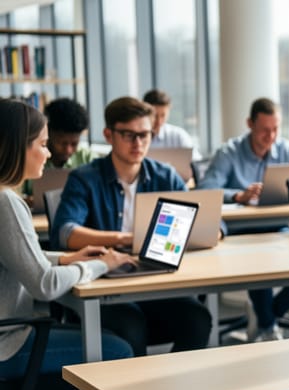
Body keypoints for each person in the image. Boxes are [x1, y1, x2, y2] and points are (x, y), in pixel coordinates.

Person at [0, 98, 133, 390]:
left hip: (7, 335)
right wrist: (100, 265)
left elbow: (23, 260)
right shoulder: (6, 202)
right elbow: (42, 284)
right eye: (41, 143)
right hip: (7, 346)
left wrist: (72, 258)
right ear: (16, 148)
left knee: (104, 344)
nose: (48, 152)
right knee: (113, 352)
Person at [51, 96, 212, 357]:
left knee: (198, 319)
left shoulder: (165, 175)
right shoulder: (84, 178)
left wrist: (212, 229)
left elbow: (208, 223)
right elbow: (65, 233)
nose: (138, 143)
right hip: (106, 284)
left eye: (145, 135)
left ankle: (172, 389)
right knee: (131, 325)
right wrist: (125, 238)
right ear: (109, 135)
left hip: (154, 279)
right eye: (129, 135)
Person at [199, 97, 289, 340]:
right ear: (250, 124)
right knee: (261, 258)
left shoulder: (286, 150)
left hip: (277, 226)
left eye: (275, 129)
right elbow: (206, 189)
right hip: (239, 231)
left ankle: (266, 320)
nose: (270, 136)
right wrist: (238, 195)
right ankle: (269, 326)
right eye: (264, 130)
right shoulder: (229, 152)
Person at [142, 88, 202, 161]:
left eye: (163, 115)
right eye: (155, 116)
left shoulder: (178, 135)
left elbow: (196, 162)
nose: (159, 121)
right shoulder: (136, 138)